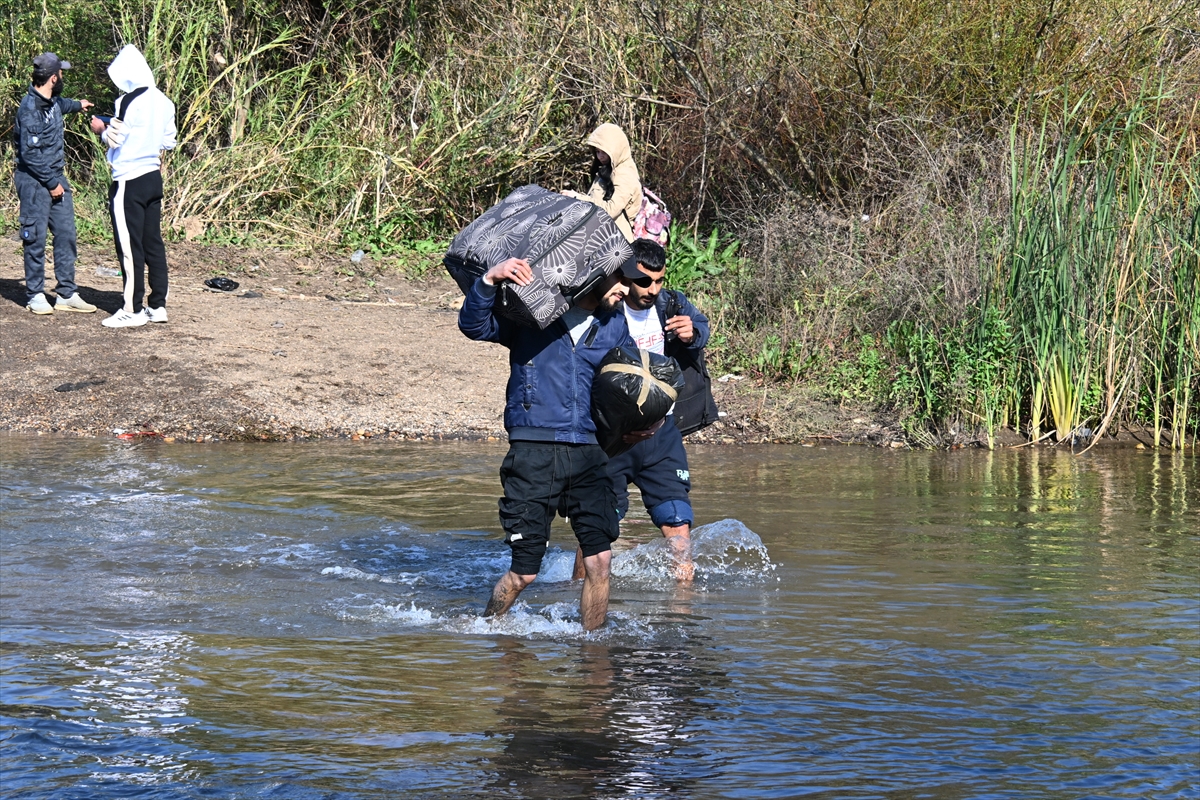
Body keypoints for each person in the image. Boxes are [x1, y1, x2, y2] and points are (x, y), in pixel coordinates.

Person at [459, 255, 648, 630]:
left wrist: (636, 425)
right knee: (524, 574)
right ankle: (486, 631)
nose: (626, 289)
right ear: (592, 275)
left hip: (589, 451)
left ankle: (594, 654)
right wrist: (489, 281)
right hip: (534, 449)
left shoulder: (615, 325)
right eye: (619, 279)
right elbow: (473, 325)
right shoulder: (533, 313)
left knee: (599, 562)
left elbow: (626, 387)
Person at [573, 239, 710, 583]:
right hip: (612, 440)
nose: (652, 289)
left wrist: (693, 333)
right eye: (644, 281)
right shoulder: (603, 310)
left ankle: (682, 611)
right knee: (597, 529)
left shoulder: (671, 303)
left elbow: (702, 326)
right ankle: (571, 595)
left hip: (662, 435)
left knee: (677, 520)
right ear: (626, 275)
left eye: (659, 280)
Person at [88, 45, 177, 328]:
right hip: (153, 177)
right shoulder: (164, 101)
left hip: (129, 179)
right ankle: (157, 305)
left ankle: (132, 309)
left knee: (129, 246)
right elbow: (169, 141)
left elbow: (115, 139)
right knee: (153, 244)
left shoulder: (128, 100)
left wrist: (101, 129)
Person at [13, 52, 98, 315]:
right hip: (35, 181)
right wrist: (51, 183)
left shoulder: (52, 102)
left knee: (66, 235)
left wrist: (79, 104)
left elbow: (63, 104)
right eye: (60, 73)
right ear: (53, 77)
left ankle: (66, 294)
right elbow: (30, 155)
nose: (62, 76)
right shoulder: (29, 110)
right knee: (35, 238)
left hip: (55, 177)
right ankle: (36, 294)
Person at [563, 123, 642, 242]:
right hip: (604, 237)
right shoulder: (608, 169)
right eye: (597, 152)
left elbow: (611, 210)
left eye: (603, 152)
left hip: (615, 243)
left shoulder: (625, 174)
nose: (600, 156)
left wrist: (578, 198)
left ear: (615, 150)